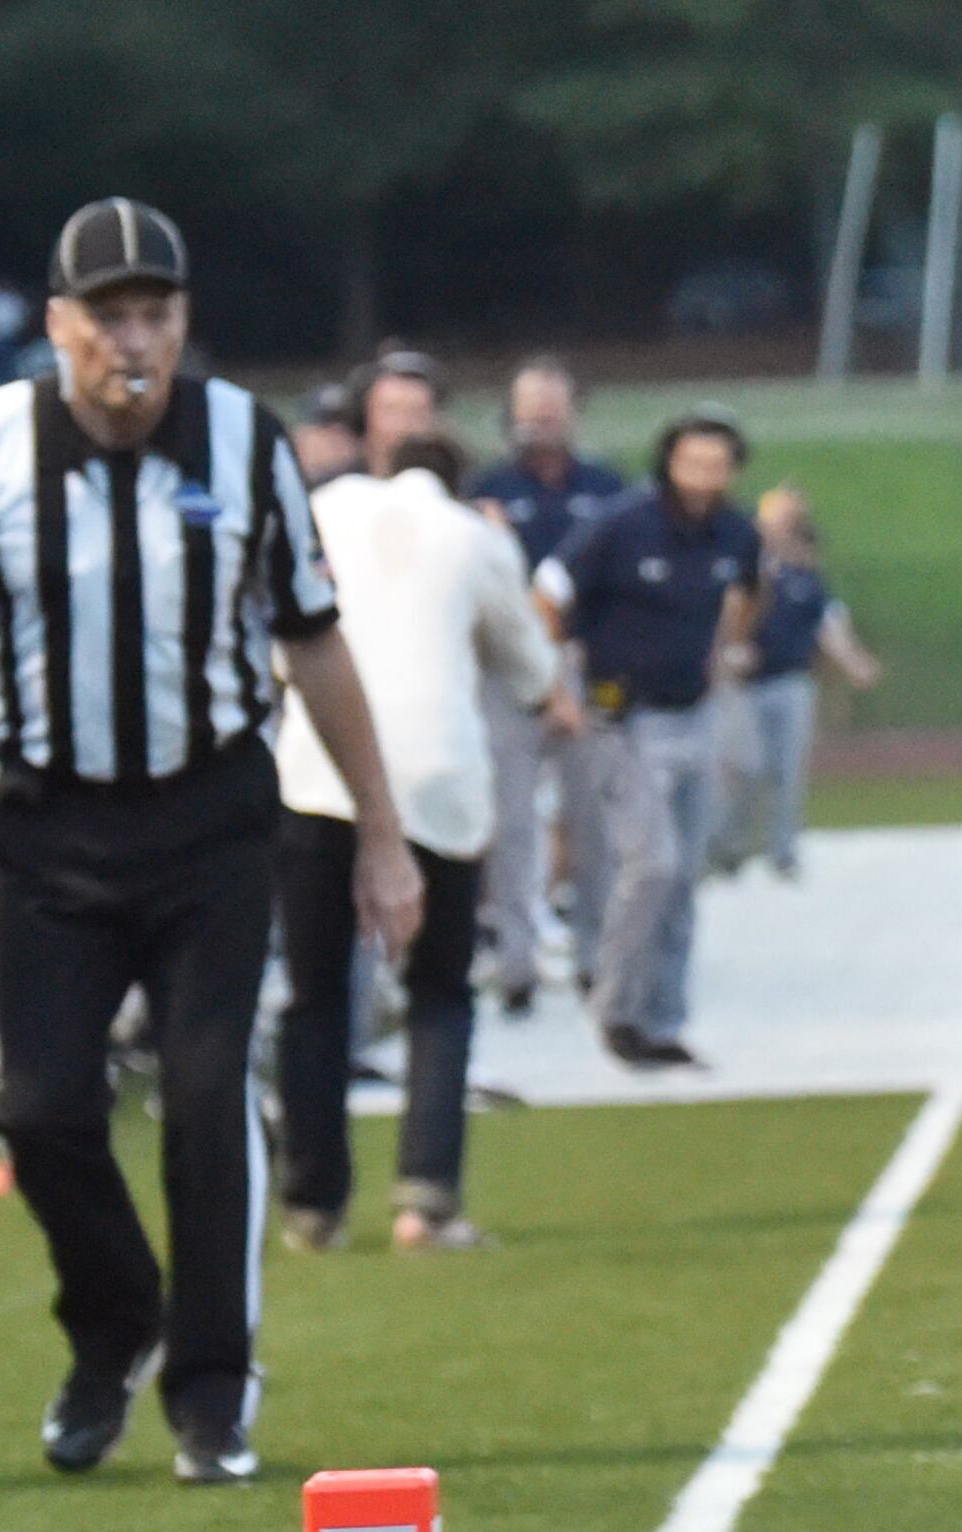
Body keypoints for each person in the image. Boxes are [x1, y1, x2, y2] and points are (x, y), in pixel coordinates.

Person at [0, 197, 425, 1486]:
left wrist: (382, 833)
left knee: (201, 1099)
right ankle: (115, 1320)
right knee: (41, 1112)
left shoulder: (245, 441)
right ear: (61, 324)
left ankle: (210, 1387)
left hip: (209, 822)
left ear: (184, 321)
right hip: (51, 827)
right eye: (110, 316)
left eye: (158, 315)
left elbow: (313, 643)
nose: (135, 343)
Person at [273, 429, 555, 1253]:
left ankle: (312, 1205)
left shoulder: (323, 507)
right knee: (439, 991)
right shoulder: (477, 535)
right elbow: (528, 665)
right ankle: (425, 1201)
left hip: (318, 773)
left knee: (317, 995)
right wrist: (552, 700)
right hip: (437, 783)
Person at [541, 405, 758, 1068]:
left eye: (717, 464)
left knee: (685, 874)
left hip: (692, 712)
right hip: (622, 716)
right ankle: (615, 1008)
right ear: (668, 462)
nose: (704, 475)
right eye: (693, 461)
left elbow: (749, 594)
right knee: (652, 864)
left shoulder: (733, 533)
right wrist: (556, 683)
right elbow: (546, 595)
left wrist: (721, 652)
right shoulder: (621, 526)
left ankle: (662, 1019)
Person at [467, 356, 621, 1014]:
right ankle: (518, 960)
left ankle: (594, 954)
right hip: (507, 667)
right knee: (512, 819)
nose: (541, 425)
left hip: (580, 659)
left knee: (592, 816)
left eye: (551, 413)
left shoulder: (606, 488)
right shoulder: (488, 489)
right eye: (530, 414)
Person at [713, 485, 878, 878]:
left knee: (788, 770)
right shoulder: (741, 570)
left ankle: (783, 850)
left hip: (790, 681)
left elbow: (828, 624)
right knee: (744, 767)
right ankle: (731, 845)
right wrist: (728, 654)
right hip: (746, 685)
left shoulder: (806, 577)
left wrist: (853, 662)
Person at [352, 348, 443, 475]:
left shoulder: (465, 487)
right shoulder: (335, 488)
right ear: (364, 416)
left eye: (417, 413)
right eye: (391, 411)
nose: (404, 425)